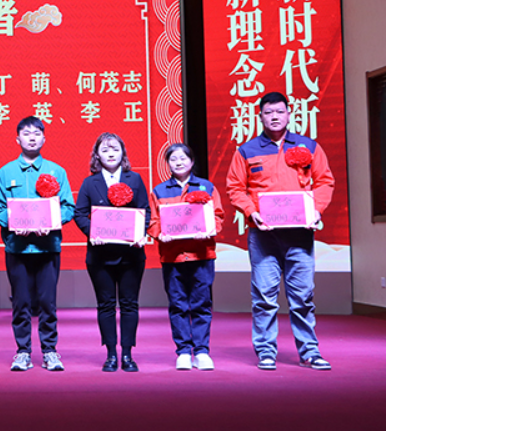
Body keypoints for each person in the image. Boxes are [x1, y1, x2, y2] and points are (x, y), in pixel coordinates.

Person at [226, 92, 336, 371]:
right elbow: (235, 188)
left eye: (279, 111)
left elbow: (324, 182)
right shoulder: (247, 150)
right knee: (264, 297)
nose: (274, 117)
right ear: (260, 116)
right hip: (263, 236)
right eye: (268, 112)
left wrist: (317, 210)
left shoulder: (309, 146)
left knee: (303, 298)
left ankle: (309, 352)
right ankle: (266, 351)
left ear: (289, 113)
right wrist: (251, 212)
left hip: (300, 235)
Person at [0, 116, 75, 372]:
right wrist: (12, 222)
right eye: (26, 133)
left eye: (37, 133)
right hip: (18, 248)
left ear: (44, 138)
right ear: (18, 139)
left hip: (47, 247)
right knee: (21, 303)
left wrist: (53, 222)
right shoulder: (6, 172)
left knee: (48, 303)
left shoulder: (57, 171)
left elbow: (68, 206)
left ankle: (50, 351)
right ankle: (23, 351)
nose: (32, 138)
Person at [72, 132, 151, 373]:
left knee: (129, 304)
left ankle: (127, 354)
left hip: (131, 254)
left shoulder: (134, 179)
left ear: (122, 152)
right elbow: (79, 213)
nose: (110, 153)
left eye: (115, 149)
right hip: (100, 255)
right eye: (105, 150)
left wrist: (140, 232)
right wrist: (93, 232)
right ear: (97, 155)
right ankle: (110, 354)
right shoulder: (90, 182)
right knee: (105, 305)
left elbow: (145, 210)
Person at [148, 143, 226, 371]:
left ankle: (201, 351)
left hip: (202, 255)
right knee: (178, 305)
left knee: (202, 304)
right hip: (172, 257)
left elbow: (218, 216)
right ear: (167, 164)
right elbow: (153, 221)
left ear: (191, 161)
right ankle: (183, 351)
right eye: (173, 159)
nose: (179, 162)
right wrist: (160, 233)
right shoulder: (159, 191)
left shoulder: (207, 187)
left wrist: (210, 228)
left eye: (183, 158)